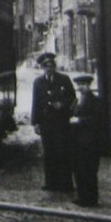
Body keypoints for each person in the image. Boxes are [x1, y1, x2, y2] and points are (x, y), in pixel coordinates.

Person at [30, 52, 75, 191]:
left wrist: (62, 104)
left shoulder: (64, 79)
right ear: (42, 68)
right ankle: (50, 182)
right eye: (46, 66)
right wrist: (35, 123)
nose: (49, 69)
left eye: (51, 66)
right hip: (46, 123)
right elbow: (36, 103)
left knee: (62, 151)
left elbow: (73, 99)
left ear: (55, 66)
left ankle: (66, 183)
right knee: (49, 153)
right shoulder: (38, 82)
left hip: (61, 122)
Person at [68, 73, 106, 206]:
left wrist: (80, 120)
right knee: (79, 171)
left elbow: (98, 120)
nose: (81, 88)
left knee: (89, 171)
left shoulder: (95, 101)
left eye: (83, 85)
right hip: (77, 142)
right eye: (79, 85)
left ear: (89, 86)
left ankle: (91, 199)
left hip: (90, 142)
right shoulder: (77, 101)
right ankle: (82, 196)